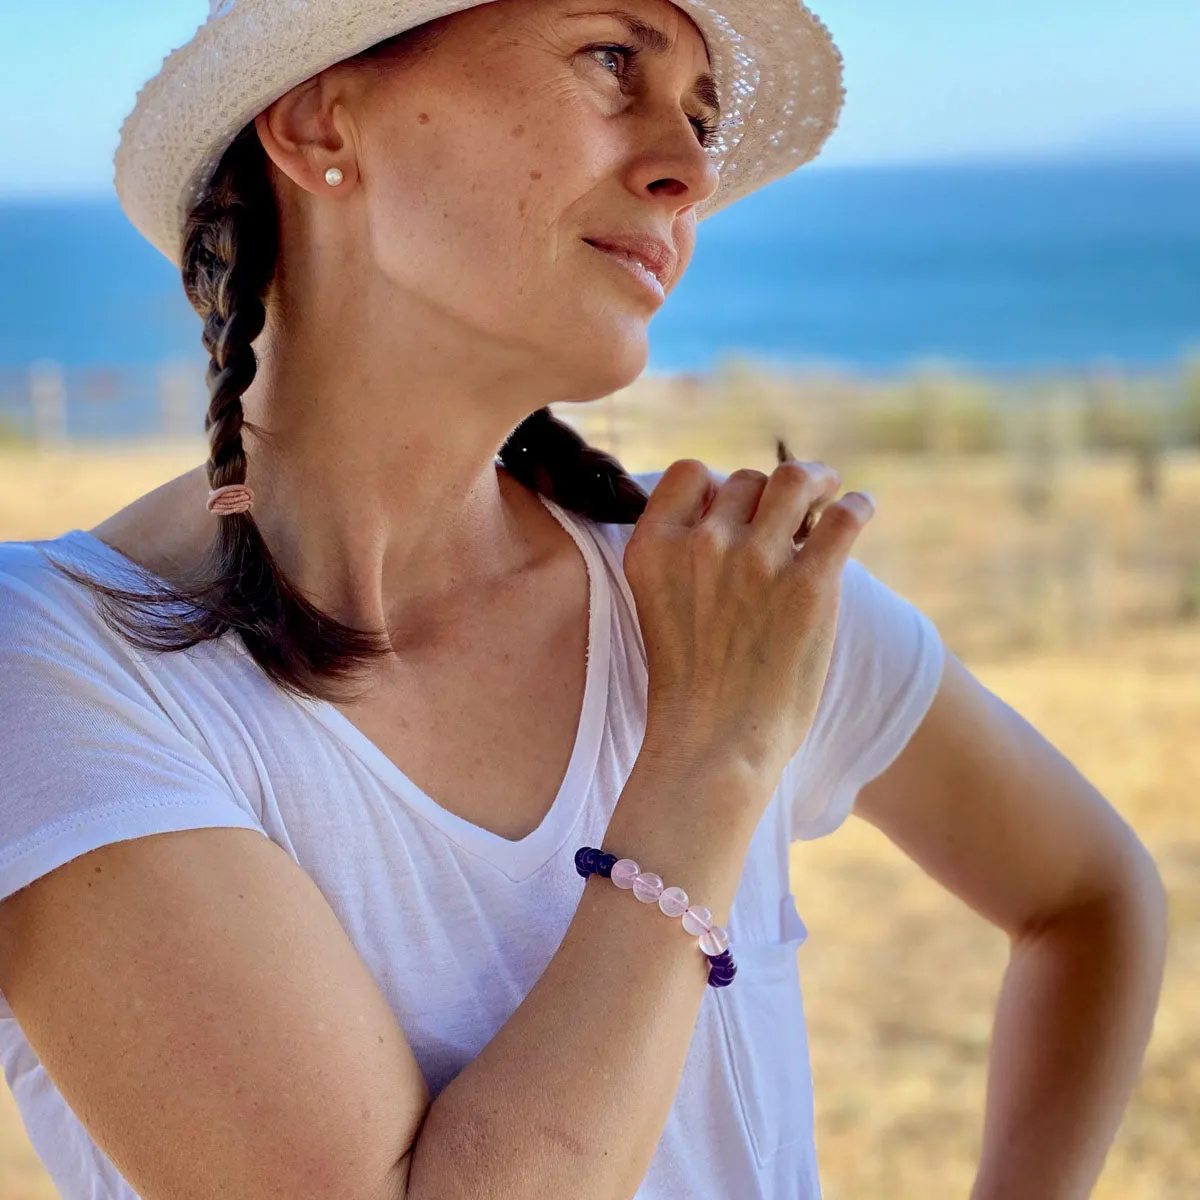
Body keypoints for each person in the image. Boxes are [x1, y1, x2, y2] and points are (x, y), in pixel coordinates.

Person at [0, 0, 1166, 1195]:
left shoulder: (723, 587)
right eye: (612, 61)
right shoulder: (55, 666)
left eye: (703, 117)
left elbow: (1091, 896)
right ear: (315, 121)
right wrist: (714, 756)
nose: (690, 170)